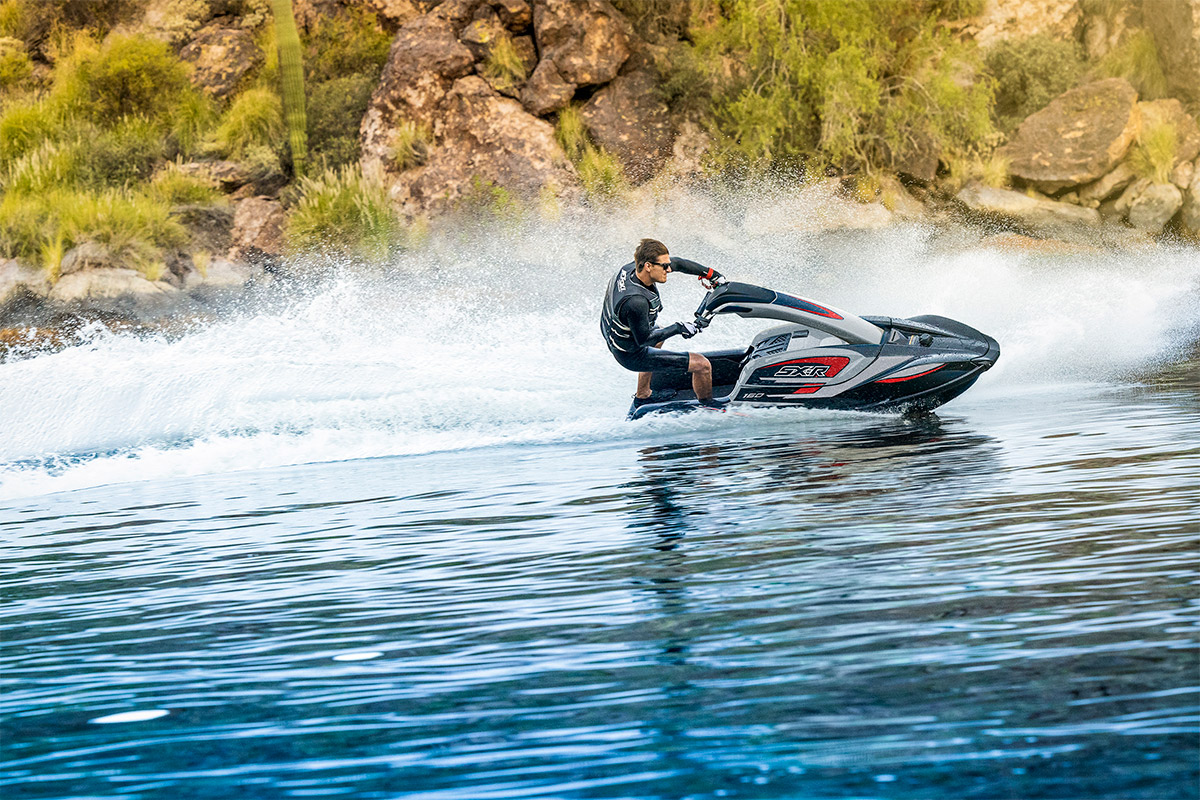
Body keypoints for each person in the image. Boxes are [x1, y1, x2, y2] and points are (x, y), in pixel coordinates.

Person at [601, 238, 728, 412]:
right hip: (629, 354)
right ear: (648, 266)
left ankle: (643, 394)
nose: (669, 269)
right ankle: (710, 409)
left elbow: (679, 263)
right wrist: (678, 327)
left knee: (659, 331)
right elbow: (644, 340)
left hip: (614, 336)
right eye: (664, 266)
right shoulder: (636, 302)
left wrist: (712, 274)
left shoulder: (632, 268)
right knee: (702, 365)